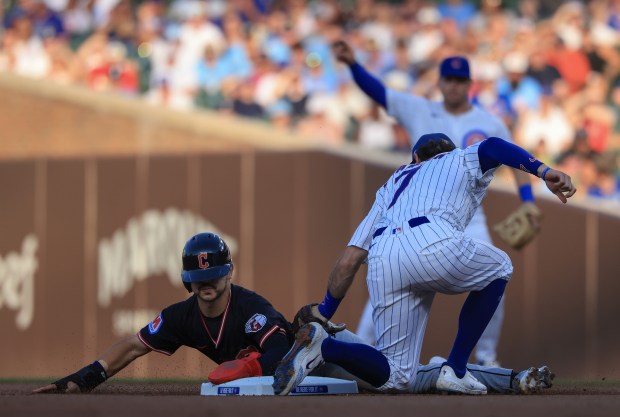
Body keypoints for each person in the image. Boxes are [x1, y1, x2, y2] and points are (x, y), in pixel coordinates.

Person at [272, 133, 576, 396]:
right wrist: (542, 169)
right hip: (431, 239)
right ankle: (455, 368)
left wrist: (324, 311)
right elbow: (494, 145)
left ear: (414, 157)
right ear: (447, 150)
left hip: (382, 257)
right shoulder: (458, 158)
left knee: (397, 377)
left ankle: (324, 346)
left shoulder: (393, 184)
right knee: (500, 267)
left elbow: (350, 260)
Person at [334, 40, 539, 367]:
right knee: (387, 277)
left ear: (470, 85)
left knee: (494, 277)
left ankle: (485, 359)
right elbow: (379, 92)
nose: (454, 85)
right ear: (440, 82)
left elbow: (514, 159)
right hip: (422, 210)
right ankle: (364, 346)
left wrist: (528, 201)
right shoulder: (419, 108)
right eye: (449, 79)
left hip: (469, 215)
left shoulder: (489, 122)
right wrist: (353, 65)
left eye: (460, 80)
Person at [33, 232, 295, 393]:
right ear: (186, 280)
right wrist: (85, 378)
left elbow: (283, 353)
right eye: (198, 276)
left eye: (213, 274)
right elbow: (134, 346)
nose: (206, 282)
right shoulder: (180, 316)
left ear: (229, 273)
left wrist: (247, 368)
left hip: (311, 365)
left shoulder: (252, 308)